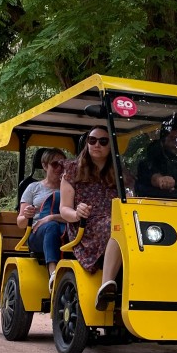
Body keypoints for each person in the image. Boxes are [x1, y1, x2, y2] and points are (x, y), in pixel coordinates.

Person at [59, 126, 123, 310]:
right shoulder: (72, 170)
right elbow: (64, 209)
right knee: (115, 227)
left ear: (111, 146)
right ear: (86, 143)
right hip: (84, 225)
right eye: (92, 140)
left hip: (116, 221)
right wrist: (77, 213)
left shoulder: (119, 172)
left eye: (103, 141)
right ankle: (106, 286)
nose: (97, 145)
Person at [17, 148, 67, 290]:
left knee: (53, 224)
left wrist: (51, 217)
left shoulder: (70, 189)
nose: (59, 168)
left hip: (66, 230)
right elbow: (20, 222)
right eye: (55, 164)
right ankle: (53, 272)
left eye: (63, 164)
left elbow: (75, 216)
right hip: (37, 234)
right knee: (51, 226)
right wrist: (27, 215)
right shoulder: (33, 188)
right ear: (45, 166)